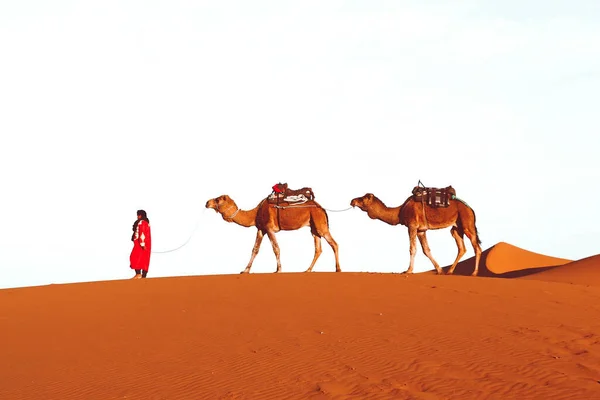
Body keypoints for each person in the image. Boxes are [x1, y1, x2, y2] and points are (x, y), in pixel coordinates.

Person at [130, 209, 152, 279]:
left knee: (136, 258)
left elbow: (142, 233)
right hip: (141, 244)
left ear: (140, 215)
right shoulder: (145, 223)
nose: (137, 217)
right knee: (143, 259)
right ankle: (142, 275)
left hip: (140, 244)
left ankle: (139, 274)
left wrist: (142, 244)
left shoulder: (142, 222)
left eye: (138, 215)